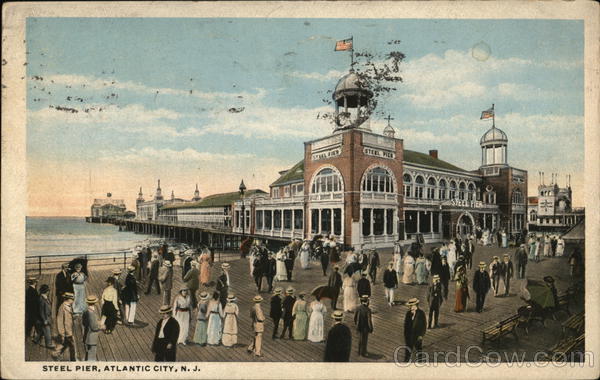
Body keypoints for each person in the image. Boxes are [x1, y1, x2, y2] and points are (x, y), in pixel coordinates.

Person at [52, 292, 76, 361]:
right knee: (72, 346)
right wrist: (65, 333)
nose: (73, 300)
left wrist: (73, 317)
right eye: (72, 299)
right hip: (66, 331)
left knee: (65, 344)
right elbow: (63, 322)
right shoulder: (64, 307)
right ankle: (73, 360)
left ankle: (56, 354)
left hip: (66, 330)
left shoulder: (66, 306)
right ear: (69, 299)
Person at [403, 298, 427, 362]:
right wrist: (406, 336)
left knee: (419, 351)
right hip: (409, 336)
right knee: (408, 351)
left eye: (411, 306)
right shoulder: (408, 314)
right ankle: (406, 362)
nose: (410, 307)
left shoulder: (421, 313)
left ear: (415, 305)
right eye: (410, 306)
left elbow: (424, 326)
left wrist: (421, 336)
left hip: (417, 336)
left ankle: (420, 362)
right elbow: (406, 325)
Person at [82, 295, 100, 361]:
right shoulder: (91, 313)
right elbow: (94, 327)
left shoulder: (85, 311)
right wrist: (101, 326)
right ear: (95, 303)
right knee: (92, 355)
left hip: (87, 335)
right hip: (92, 337)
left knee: (88, 352)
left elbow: (84, 323)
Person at [37, 284, 55, 348]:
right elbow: (41, 311)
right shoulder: (41, 299)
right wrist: (44, 320)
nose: (49, 292)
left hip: (47, 316)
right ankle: (49, 344)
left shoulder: (45, 297)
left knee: (42, 330)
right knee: (47, 331)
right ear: (46, 291)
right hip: (45, 318)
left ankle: (36, 339)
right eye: (48, 291)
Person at [26, 277, 41, 343]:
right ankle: (35, 339)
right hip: (34, 312)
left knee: (30, 326)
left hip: (31, 312)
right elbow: (34, 302)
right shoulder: (32, 291)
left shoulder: (30, 290)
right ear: (35, 283)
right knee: (37, 326)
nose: (37, 283)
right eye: (36, 282)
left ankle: (31, 337)